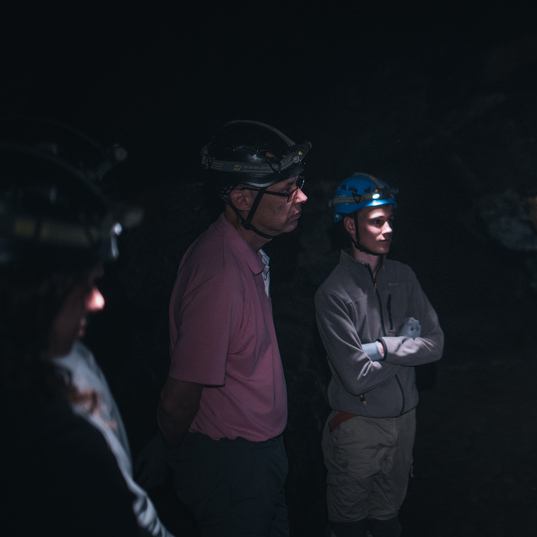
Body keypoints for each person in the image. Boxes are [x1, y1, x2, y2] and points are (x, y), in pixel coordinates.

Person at [1, 132, 165, 536]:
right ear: (28, 294)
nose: (98, 301)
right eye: (82, 285)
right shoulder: (62, 442)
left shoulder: (68, 365)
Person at [155, 120, 310, 537]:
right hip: (233, 466)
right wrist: (180, 454)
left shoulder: (245, 253)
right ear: (242, 199)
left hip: (255, 458)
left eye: (299, 184)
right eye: (287, 190)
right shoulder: (220, 275)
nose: (302, 197)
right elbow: (177, 400)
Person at [314, 172, 444, 537]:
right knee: (349, 523)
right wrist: (407, 344)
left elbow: (436, 345)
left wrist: (382, 348)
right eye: (376, 221)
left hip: (405, 423)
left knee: (388, 518)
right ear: (350, 226)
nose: (387, 230)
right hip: (358, 426)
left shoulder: (404, 276)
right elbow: (356, 377)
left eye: (389, 220)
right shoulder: (334, 294)